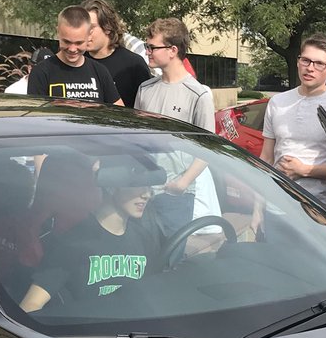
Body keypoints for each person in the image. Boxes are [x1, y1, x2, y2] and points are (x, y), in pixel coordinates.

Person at [19, 156, 162, 313]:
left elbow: (154, 296)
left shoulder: (144, 239)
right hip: (89, 333)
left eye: (149, 188)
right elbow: (31, 305)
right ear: (111, 186)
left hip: (135, 332)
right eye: (138, 185)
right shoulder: (74, 242)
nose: (147, 195)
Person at [136, 17, 221, 257]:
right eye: (147, 45)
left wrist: (182, 183)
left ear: (173, 50)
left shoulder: (199, 94)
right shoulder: (145, 89)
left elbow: (208, 147)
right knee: (144, 257)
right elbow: (136, 139)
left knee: (170, 258)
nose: (148, 52)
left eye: (153, 47)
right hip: (144, 190)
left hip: (175, 194)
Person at [260, 33, 326, 208]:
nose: (310, 68)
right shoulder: (277, 102)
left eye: (319, 63)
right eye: (306, 60)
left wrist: (304, 170)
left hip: (317, 209)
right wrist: (257, 208)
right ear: (298, 61)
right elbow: (266, 158)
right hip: (274, 204)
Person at [26, 5, 123, 104]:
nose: (72, 49)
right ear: (58, 32)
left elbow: (118, 113)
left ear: (89, 35)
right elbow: (35, 116)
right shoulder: (41, 73)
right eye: (67, 42)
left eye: (79, 43)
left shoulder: (100, 72)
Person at [82, 0, 152, 108]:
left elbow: (146, 109)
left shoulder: (133, 64)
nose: (85, 33)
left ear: (107, 27)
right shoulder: (77, 61)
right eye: (82, 27)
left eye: (91, 28)